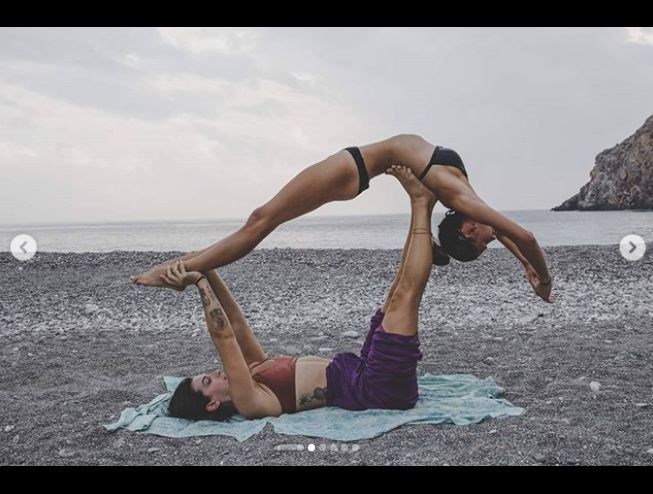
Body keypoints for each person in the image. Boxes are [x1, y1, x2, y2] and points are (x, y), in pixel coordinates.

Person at [132, 135, 553, 302]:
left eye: (484, 242)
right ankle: (182, 266)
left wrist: (538, 273)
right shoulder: (464, 198)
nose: (492, 237)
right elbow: (519, 236)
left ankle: (174, 271)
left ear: (467, 228)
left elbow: (519, 235)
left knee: (261, 220)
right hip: (355, 168)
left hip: (353, 169)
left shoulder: (459, 196)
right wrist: (533, 272)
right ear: (468, 226)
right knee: (261, 219)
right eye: (486, 240)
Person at [167, 166, 442, 421]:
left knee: (395, 294)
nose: (216, 372)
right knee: (405, 295)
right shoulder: (250, 402)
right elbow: (223, 336)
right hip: (377, 388)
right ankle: (419, 201)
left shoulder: (254, 371)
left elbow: (236, 324)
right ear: (212, 404)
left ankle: (425, 205)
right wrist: (199, 282)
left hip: (361, 369)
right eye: (208, 382)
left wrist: (206, 267)